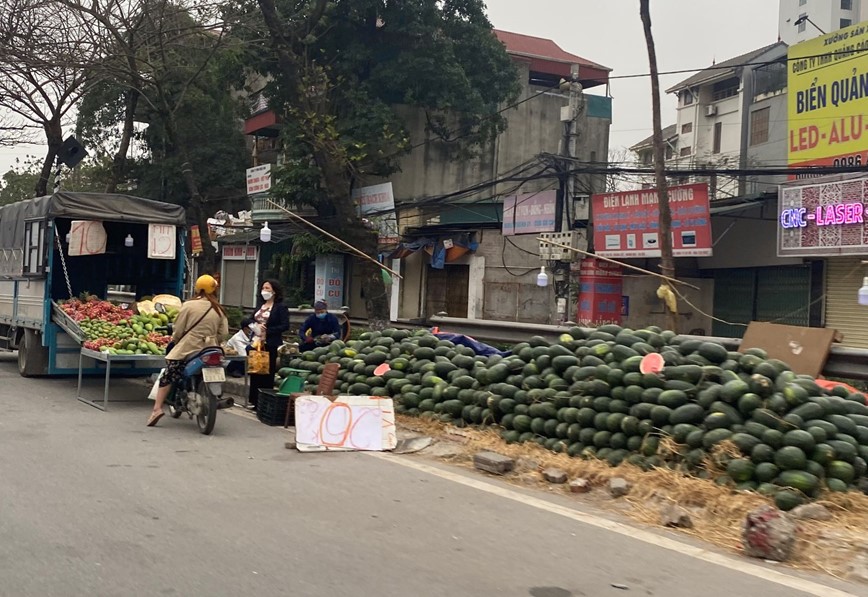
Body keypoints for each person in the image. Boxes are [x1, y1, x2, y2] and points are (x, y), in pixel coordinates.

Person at [147, 275, 229, 427]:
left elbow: (178, 330)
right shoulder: (219, 309)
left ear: (197, 288)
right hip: (211, 349)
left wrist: (176, 340)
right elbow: (223, 333)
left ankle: (157, 409)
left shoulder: (189, 305)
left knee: (169, 374)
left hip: (189, 347)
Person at [242, 279, 290, 410]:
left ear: (274, 291)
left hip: (270, 343)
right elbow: (250, 319)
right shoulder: (260, 305)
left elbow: (285, 325)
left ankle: (264, 402)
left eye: (267, 288)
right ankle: (254, 400)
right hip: (255, 343)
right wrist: (254, 325)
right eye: (263, 288)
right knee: (255, 371)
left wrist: (268, 330)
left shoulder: (280, 307)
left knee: (267, 373)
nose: (265, 291)